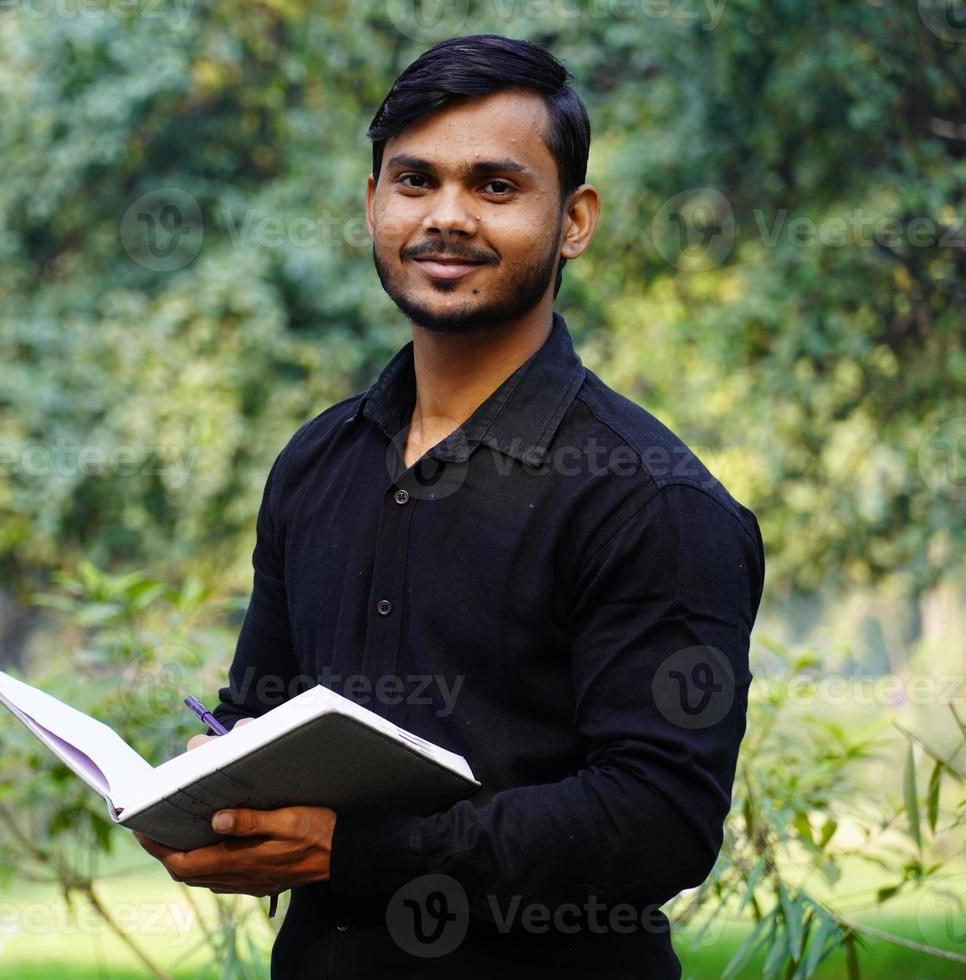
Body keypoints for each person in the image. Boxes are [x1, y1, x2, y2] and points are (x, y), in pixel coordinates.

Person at [134, 33, 765, 979]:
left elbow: (659, 821)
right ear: (373, 204)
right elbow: (255, 712)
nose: (447, 217)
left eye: (497, 187)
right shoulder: (317, 462)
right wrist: (205, 792)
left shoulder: (651, 500)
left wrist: (356, 855)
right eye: (415, 181)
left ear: (575, 220)